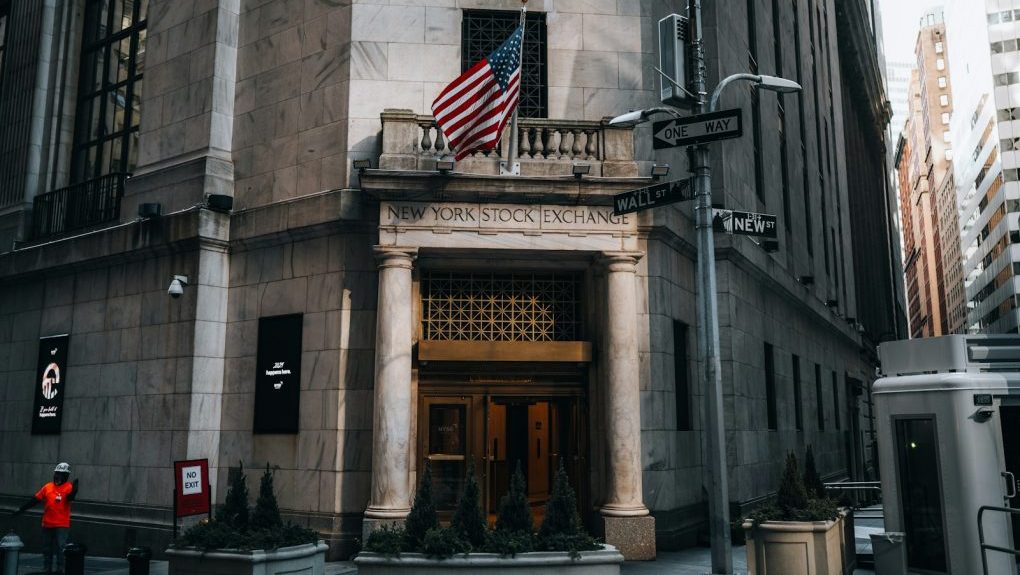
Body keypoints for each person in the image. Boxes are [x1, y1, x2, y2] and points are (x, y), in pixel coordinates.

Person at [12, 462, 79, 574]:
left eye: (61, 474)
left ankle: (60, 569)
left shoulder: (68, 487)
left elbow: (69, 498)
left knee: (60, 549)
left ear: (66, 476)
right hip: (47, 523)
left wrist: (74, 491)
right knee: (46, 549)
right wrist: (21, 509)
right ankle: (46, 568)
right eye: (57, 473)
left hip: (61, 525)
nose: (58, 476)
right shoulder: (47, 487)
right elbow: (35, 500)